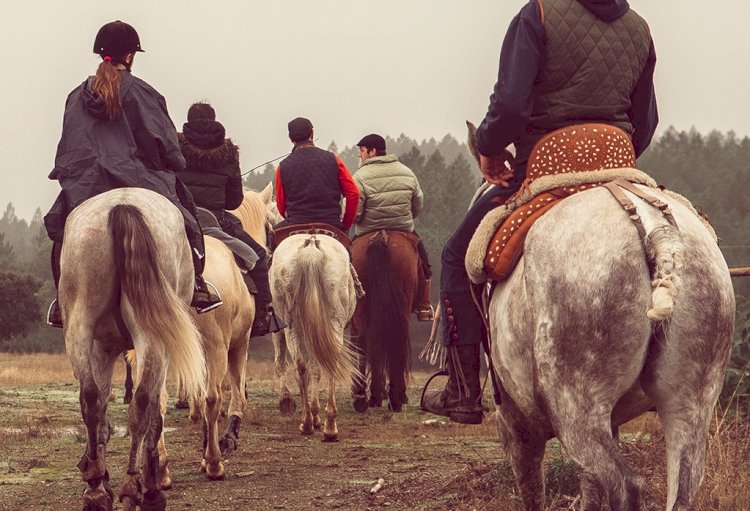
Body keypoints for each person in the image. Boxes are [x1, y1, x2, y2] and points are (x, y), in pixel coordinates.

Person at [421, 0, 658, 424]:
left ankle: (463, 391)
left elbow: (511, 105)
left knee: (457, 256)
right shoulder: (639, 27)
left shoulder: (539, 14)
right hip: (619, 163)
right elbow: (647, 118)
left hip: (547, 165)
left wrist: (490, 148)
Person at [44, 20, 223, 328]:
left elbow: (68, 148)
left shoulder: (75, 97)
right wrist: (172, 161)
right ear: (129, 56)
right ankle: (197, 286)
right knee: (187, 221)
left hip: (89, 185)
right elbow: (167, 148)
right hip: (141, 179)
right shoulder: (144, 93)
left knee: (61, 234)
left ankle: (63, 301)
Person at [177, 102, 283, 337]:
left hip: (181, 218)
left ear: (188, 122)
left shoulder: (175, 147)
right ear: (215, 122)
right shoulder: (228, 153)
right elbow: (234, 201)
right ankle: (263, 316)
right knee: (257, 256)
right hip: (215, 221)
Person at [352, 133, 434, 321]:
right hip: (402, 228)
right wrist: (404, 218)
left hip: (366, 230)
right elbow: (417, 204)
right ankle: (423, 305)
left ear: (373, 152)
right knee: (424, 261)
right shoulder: (406, 171)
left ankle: (347, 304)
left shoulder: (359, 176)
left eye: (362, 151)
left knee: (347, 258)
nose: (360, 156)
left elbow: (356, 212)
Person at [274, 117, 359, 232]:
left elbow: (281, 205)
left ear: (290, 138)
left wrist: (293, 219)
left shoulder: (282, 167)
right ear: (312, 133)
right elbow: (353, 193)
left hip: (295, 223)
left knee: (269, 240)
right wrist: (345, 225)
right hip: (331, 223)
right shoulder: (333, 159)